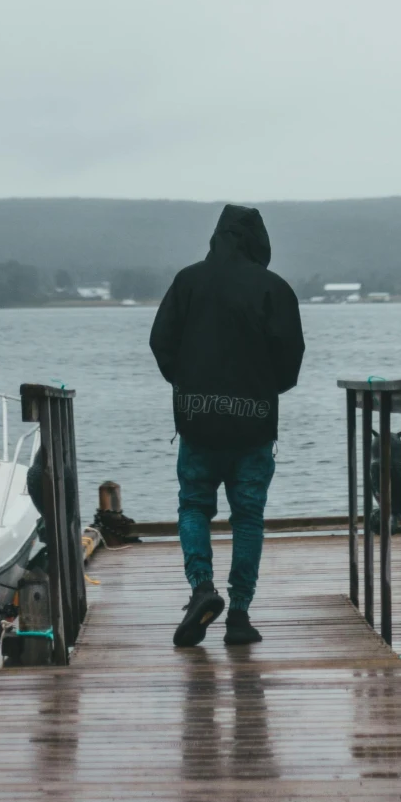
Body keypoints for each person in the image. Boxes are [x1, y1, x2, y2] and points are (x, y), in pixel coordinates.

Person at [149, 204, 305, 648]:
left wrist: (186, 385)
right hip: (254, 425)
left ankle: (201, 587)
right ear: (259, 241)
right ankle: (238, 614)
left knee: (194, 507)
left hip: (197, 421)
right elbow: (291, 358)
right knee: (248, 517)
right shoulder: (274, 289)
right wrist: (264, 390)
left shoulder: (188, 281)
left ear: (217, 236)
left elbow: (161, 341)